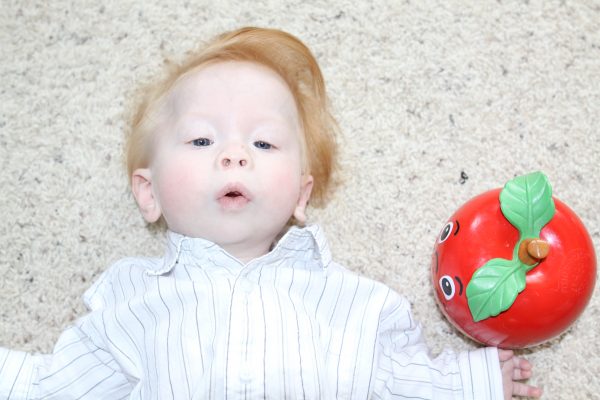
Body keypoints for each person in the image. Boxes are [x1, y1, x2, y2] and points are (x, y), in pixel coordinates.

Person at [0, 27, 542, 399]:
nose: (233, 154)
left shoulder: (352, 303)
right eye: (201, 138)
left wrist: (474, 380)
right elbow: (63, 384)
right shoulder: (131, 299)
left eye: (263, 144)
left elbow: (396, 377)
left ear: (301, 197)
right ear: (149, 193)